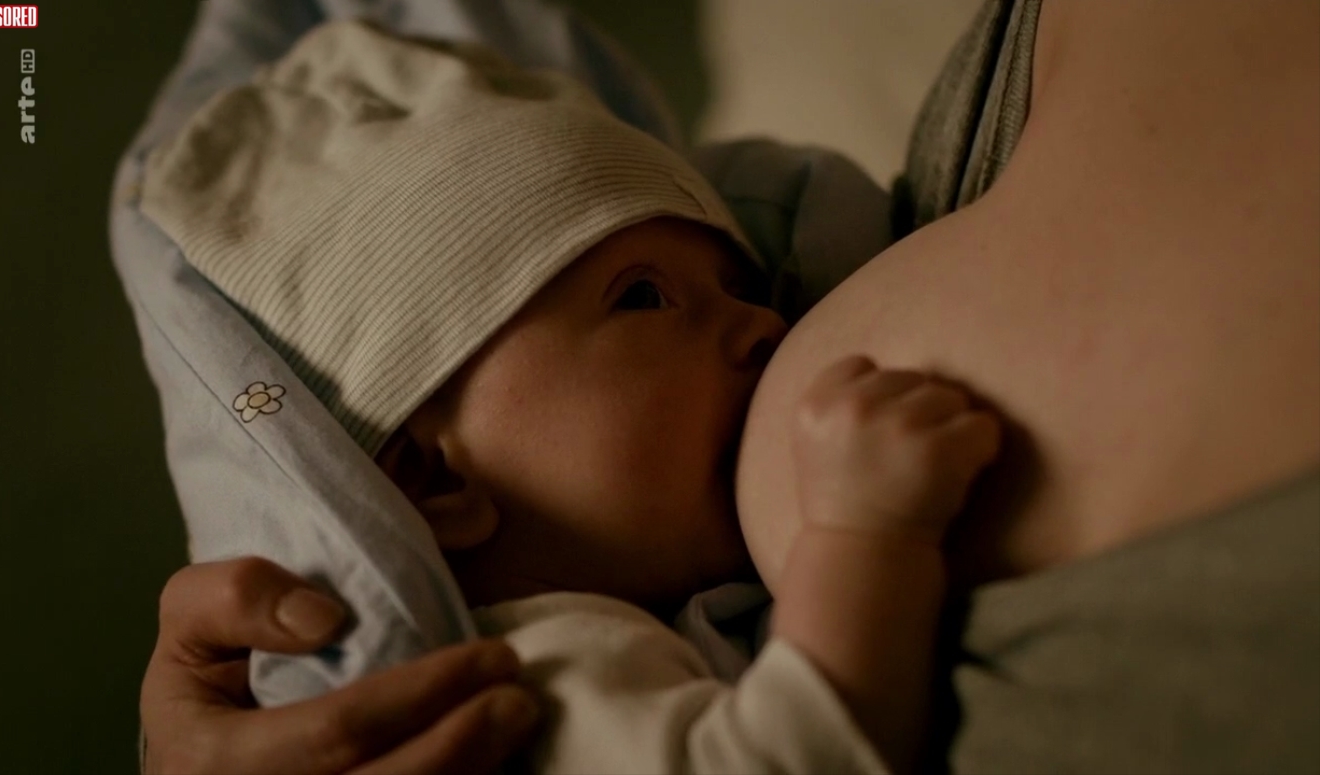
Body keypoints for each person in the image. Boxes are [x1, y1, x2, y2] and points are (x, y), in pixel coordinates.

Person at [138, 0, 1320, 772]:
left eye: (738, 282)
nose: (761, 322)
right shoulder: (519, 685)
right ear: (435, 475)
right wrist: (864, 538)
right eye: (642, 297)